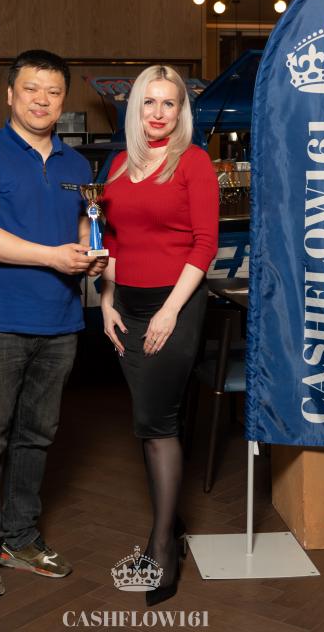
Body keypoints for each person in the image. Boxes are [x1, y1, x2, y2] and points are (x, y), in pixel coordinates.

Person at [0, 49, 106, 598]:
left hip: (59, 322)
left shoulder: (75, 166)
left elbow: (81, 229)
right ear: (10, 94)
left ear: (63, 101)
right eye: (32, 89)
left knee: (37, 437)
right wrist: (53, 258)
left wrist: (88, 254)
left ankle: (20, 538)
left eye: (54, 91)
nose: (43, 100)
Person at [100, 65, 218, 605]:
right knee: (148, 424)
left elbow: (204, 243)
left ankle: (163, 546)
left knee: (158, 422)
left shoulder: (193, 162)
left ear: (181, 111)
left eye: (169, 103)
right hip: (127, 306)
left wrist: (171, 310)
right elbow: (111, 240)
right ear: (135, 108)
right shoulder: (119, 165)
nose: (158, 112)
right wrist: (106, 299)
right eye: (149, 101)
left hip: (177, 304)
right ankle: (171, 526)